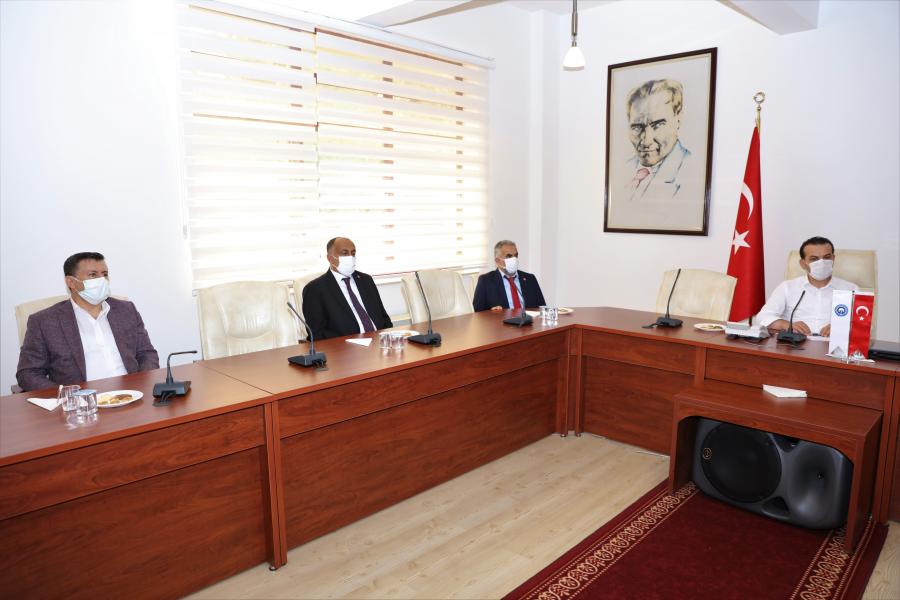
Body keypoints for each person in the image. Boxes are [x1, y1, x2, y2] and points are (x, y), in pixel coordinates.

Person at [16, 252, 159, 392]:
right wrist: (65, 395)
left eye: (104, 274)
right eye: (93, 275)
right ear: (71, 282)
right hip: (82, 402)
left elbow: (147, 354)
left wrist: (141, 384)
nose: (102, 280)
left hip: (131, 395)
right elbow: (28, 373)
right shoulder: (44, 321)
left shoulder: (126, 310)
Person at [756, 236, 859, 337]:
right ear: (803, 264)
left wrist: (842, 326)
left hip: (834, 343)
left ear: (833, 258)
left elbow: (862, 323)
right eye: (814, 259)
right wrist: (787, 325)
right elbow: (763, 317)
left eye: (827, 257)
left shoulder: (851, 289)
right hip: (796, 343)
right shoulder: (787, 287)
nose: (822, 263)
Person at [302, 237, 392, 340]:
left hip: (380, 341)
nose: (350, 257)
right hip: (345, 346)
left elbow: (384, 318)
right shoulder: (315, 289)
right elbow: (316, 334)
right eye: (344, 253)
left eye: (353, 253)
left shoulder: (366, 280)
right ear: (330, 258)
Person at [624, 79, 691, 202]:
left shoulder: (691, 171)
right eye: (637, 127)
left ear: (678, 121)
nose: (646, 141)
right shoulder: (623, 168)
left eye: (658, 125)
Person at [473, 240, 546, 312]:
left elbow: (542, 308)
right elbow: (477, 313)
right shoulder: (486, 281)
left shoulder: (530, 279)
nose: (514, 259)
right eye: (509, 256)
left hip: (529, 319)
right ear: (498, 261)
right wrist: (491, 313)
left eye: (516, 255)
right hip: (502, 320)